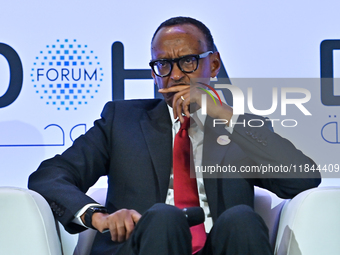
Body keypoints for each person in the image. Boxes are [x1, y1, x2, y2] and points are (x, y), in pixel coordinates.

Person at [28, 16, 321, 255]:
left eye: (189, 61)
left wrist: (223, 115)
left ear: (214, 65)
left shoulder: (239, 128)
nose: (176, 75)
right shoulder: (122, 121)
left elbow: (302, 178)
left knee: (242, 219)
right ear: (154, 73)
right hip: (143, 245)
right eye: (163, 65)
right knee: (164, 218)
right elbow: (50, 175)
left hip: (221, 246)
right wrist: (98, 216)